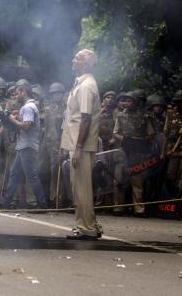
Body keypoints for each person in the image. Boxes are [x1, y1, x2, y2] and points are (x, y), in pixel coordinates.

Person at [61, 48, 102, 240]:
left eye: (77, 58)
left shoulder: (86, 85)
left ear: (85, 64)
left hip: (82, 146)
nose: (73, 61)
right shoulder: (81, 83)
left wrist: (77, 148)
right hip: (78, 143)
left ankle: (86, 228)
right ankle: (88, 224)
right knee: (79, 186)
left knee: (82, 188)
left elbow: (85, 119)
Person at [1, 81, 48, 209]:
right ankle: (6, 203)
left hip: (27, 146)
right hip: (24, 146)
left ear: (24, 92)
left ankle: (42, 204)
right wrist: (16, 117)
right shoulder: (28, 106)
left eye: (17, 93)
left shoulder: (28, 107)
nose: (16, 96)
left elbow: (26, 126)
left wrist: (11, 118)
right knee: (14, 173)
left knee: (31, 176)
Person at [112, 90, 155, 216]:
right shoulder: (120, 115)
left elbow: (151, 133)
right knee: (118, 179)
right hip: (123, 150)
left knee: (137, 181)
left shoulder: (144, 116)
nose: (126, 103)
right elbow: (115, 132)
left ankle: (139, 209)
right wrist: (125, 139)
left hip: (138, 152)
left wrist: (142, 141)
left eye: (129, 100)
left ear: (136, 102)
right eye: (125, 100)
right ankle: (118, 207)